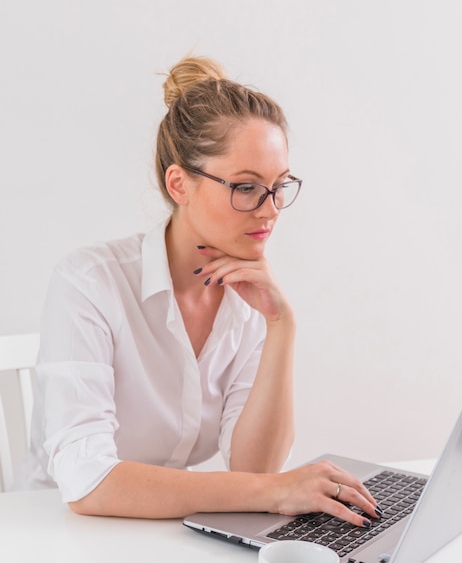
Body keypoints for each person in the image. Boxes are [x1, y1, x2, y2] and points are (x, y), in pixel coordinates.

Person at [13, 55, 380, 527]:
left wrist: (280, 325)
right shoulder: (90, 283)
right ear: (179, 184)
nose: (270, 211)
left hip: (159, 535)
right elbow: (88, 480)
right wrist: (273, 490)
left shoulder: (249, 300)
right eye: (246, 187)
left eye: (279, 186)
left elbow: (254, 471)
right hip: (54, 533)